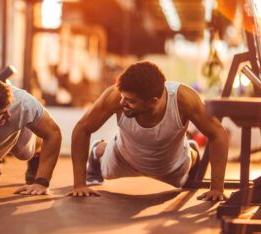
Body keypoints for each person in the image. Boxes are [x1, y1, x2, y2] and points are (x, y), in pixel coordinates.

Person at [69, 61, 228, 201]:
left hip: (171, 166)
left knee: (185, 169)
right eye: (123, 97)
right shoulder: (116, 96)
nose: (122, 102)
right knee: (106, 160)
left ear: (153, 102)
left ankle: (192, 152)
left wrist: (216, 188)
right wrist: (79, 184)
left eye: (131, 101)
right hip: (122, 158)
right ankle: (98, 151)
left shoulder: (183, 100)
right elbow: (83, 128)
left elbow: (218, 134)